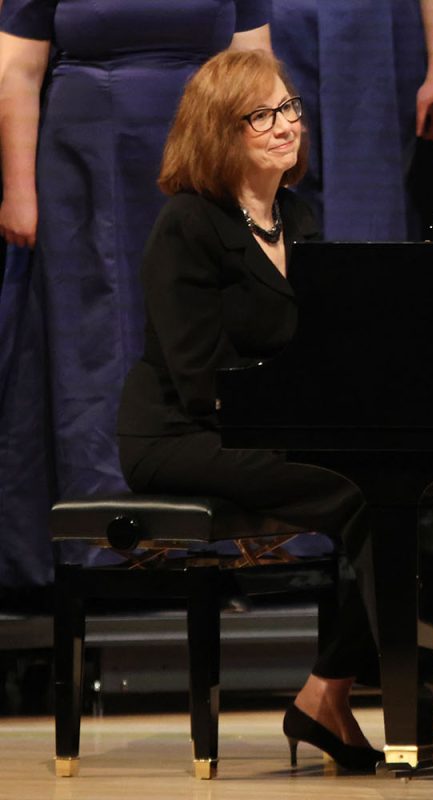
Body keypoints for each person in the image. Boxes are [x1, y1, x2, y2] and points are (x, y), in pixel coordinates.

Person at [115, 49, 433, 770]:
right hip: (184, 431)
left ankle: (326, 694)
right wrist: (314, 434)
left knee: (432, 498)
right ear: (219, 132)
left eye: (289, 109)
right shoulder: (188, 225)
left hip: (267, 425)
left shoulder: (298, 218)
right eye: (262, 115)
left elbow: (325, 354)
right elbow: (197, 379)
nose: (285, 126)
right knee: (361, 495)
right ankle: (421, 698)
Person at [0, 0, 271, 599]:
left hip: (203, 145)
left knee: (202, 323)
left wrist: (260, 174)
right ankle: (105, 537)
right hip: (86, 154)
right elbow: (17, 67)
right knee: (94, 332)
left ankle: (220, 532)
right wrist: (18, 190)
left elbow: (254, 60)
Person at [269, 0, 433, 241]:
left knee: (373, 187)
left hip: (379, 35)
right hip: (288, 29)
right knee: (290, 167)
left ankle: (368, 272)